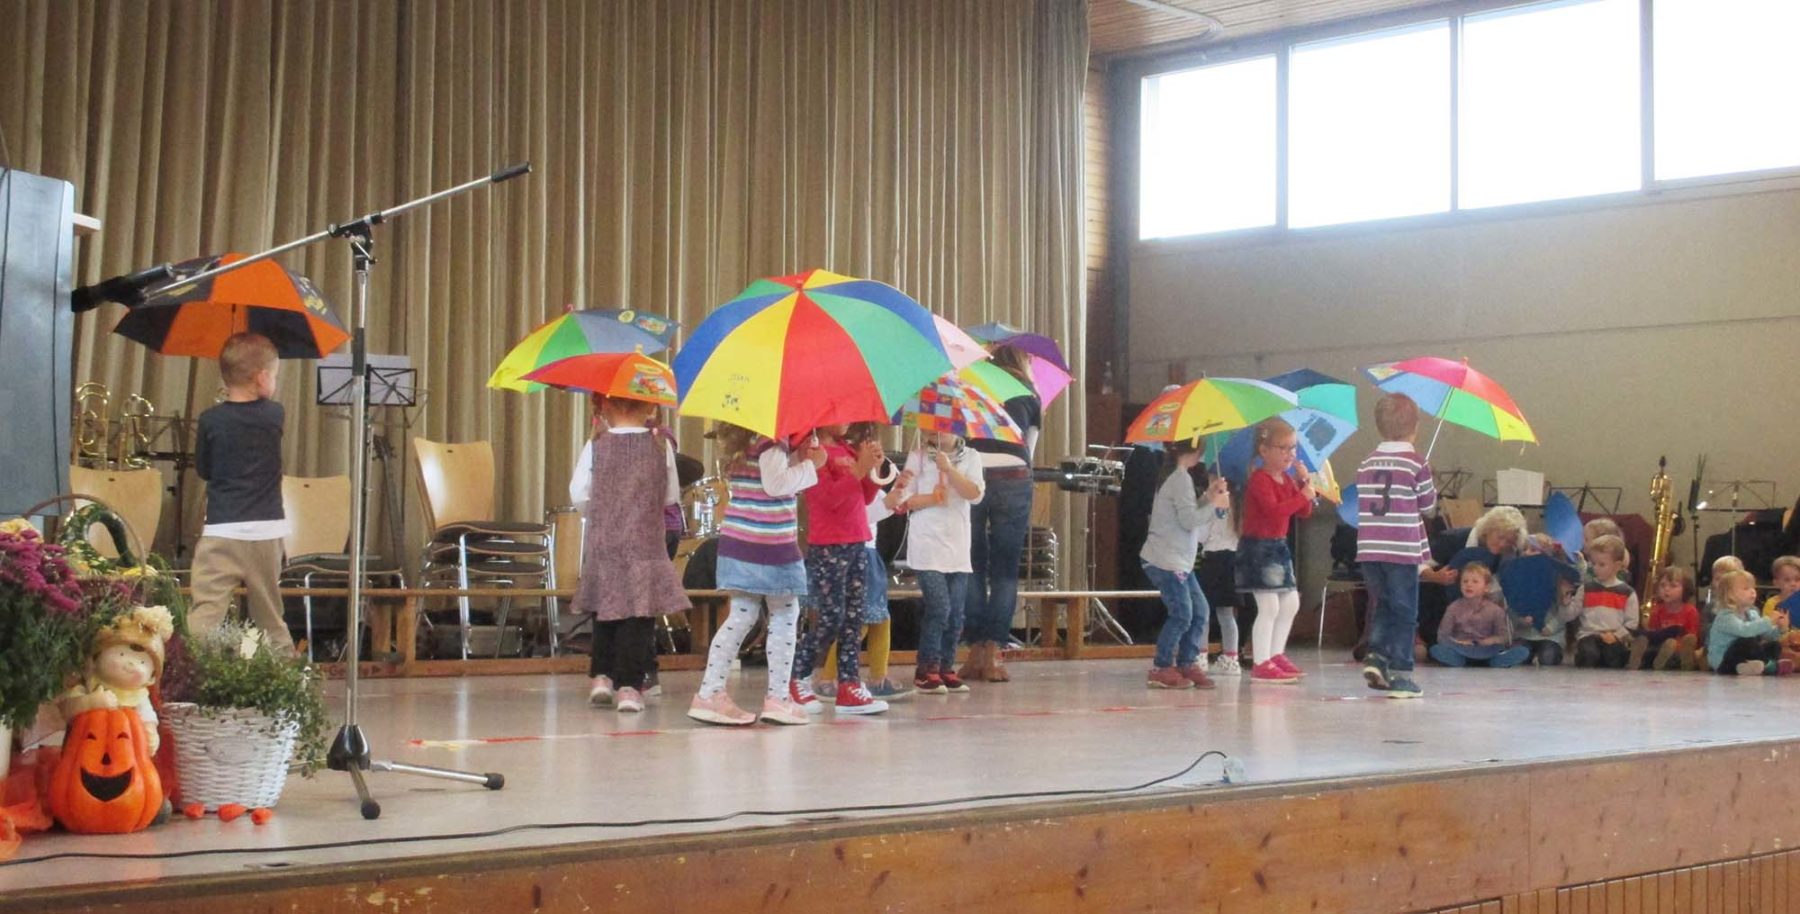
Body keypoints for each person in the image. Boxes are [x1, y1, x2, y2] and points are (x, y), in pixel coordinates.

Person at [686, 423, 822, 726]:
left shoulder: (747, 438)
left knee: (742, 615)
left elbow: (767, 481)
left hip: (740, 540)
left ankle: (710, 693)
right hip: (770, 542)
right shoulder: (772, 439)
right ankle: (777, 698)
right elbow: (775, 485)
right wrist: (812, 465)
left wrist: (797, 459)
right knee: (785, 614)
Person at [575, 395, 691, 714]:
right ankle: (629, 687)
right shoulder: (660, 446)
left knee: (605, 607)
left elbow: (579, 492)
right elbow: (671, 495)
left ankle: (601, 677)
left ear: (605, 407)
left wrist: (599, 511)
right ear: (651, 407)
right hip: (645, 541)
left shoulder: (595, 445)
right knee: (639, 614)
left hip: (605, 541)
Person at [189, 332, 295, 653]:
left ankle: (188, 667)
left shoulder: (210, 420)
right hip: (266, 531)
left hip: (221, 530)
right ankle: (287, 672)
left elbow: (204, 469)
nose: (273, 382)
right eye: (273, 375)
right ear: (261, 378)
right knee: (269, 614)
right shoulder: (274, 415)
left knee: (206, 610)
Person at [790, 422, 889, 715]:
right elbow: (828, 499)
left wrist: (872, 471)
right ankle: (796, 675)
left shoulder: (846, 447)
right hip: (829, 544)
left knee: (854, 618)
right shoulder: (813, 451)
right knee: (831, 616)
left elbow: (863, 497)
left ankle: (849, 684)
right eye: (840, 413)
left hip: (857, 539)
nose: (847, 420)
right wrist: (858, 469)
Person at [962, 343, 1042, 684]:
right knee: (1005, 570)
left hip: (973, 473)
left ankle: (973, 652)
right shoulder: (1028, 393)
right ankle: (994, 652)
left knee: (971, 564)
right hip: (1014, 476)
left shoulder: (972, 384)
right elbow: (1029, 449)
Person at [1355, 393, 1437, 698]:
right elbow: (1428, 506)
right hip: (1401, 549)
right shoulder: (1416, 463)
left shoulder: (1367, 462)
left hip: (1370, 548)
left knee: (1383, 606)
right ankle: (1402, 675)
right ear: (1415, 426)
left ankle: (1377, 656)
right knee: (1404, 611)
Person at [892, 431, 986, 694]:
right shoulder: (919, 457)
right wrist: (932, 498)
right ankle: (926, 668)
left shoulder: (971, 457)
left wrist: (950, 470)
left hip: (957, 545)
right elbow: (903, 500)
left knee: (956, 613)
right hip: (928, 544)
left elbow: (975, 494)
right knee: (939, 607)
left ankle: (946, 666)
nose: (942, 431)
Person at [819, 455, 917, 701]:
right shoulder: (845, 489)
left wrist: (900, 489)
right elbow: (857, 516)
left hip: (870, 557)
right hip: (855, 555)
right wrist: (888, 502)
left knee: (880, 618)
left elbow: (892, 505)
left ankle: (878, 678)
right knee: (859, 622)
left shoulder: (874, 490)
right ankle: (828, 678)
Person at [1140, 439, 1228, 690]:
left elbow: (1186, 511)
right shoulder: (1180, 479)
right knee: (1182, 614)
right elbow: (1189, 520)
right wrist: (1215, 505)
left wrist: (1208, 496)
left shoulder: (1180, 477)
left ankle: (1187, 662)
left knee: (1200, 611)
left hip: (1179, 561)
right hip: (1166, 560)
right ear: (1197, 450)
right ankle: (1161, 666)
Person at [1236, 417, 1315, 684]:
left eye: (1293, 448)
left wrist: (1304, 484)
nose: (1289, 454)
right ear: (1264, 450)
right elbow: (1274, 512)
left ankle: (1276, 653)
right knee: (1268, 606)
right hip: (1258, 548)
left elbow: (1304, 512)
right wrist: (1301, 497)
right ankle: (1261, 661)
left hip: (1278, 546)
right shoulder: (1260, 479)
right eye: (1283, 448)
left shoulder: (1288, 479)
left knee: (1291, 603)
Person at [1198, 477, 1252, 676]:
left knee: (1203, 612)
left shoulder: (1213, 505)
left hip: (1213, 560)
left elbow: (1201, 535)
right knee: (1227, 614)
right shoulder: (1240, 507)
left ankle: (1200, 656)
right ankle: (1231, 658)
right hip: (1233, 560)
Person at [1428, 564, 1529, 668]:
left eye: (1475, 581)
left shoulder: (1496, 610)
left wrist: (1491, 640)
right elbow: (1443, 635)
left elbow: (1504, 636)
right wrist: (1458, 642)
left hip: (1488, 648)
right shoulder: (1453, 608)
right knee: (1436, 649)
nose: (1469, 585)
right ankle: (1460, 660)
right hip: (1460, 648)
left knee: (1519, 650)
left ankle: (1495, 660)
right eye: (1465, 581)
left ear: (1487, 587)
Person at [1706, 569, 1791, 676]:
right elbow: (1745, 631)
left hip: (1745, 657)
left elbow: (1768, 635)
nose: (1753, 591)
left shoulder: (1752, 614)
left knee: (1774, 645)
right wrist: (1768, 620)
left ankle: (1753, 666)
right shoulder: (1725, 616)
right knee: (1746, 642)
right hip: (1724, 662)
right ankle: (1768, 666)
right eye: (1746, 588)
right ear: (1730, 594)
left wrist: (1781, 628)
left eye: (1753, 588)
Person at [1573, 535, 1638, 669]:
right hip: (1589, 635)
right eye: (1593, 563)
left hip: (1613, 636)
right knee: (1589, 655)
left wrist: (1617, 635)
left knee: (1614, 659)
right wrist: (1564, 601)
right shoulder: (1586, 588)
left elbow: (1632, 622)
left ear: (1617, 566)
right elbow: (1572, 612)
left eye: (1602, 564)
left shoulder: (1627, 592)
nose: (1595, 568)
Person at [1628, 565, 1701, 671]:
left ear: (1685, 589)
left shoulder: (1691, 611)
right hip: (1659, 647)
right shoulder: (1657, 610)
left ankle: (1682, 662)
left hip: (1679, 649)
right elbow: (1654, 633)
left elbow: (1692, 638)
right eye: (1662, 585)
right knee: (1648, 646)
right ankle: (1638, 658)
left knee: (1676, 650)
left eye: (1673, 586)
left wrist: (1676, 645)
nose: (1666, 589)